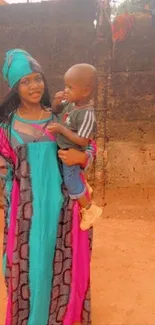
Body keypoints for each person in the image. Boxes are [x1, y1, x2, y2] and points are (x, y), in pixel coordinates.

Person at [0, 49, 96, 325]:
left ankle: (60, 317)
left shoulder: (61, 118)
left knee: (62, 264)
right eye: (25, 81)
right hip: (25, 215)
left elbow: (89, 146)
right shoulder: (6, 128)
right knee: (30, 268)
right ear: (15, 87)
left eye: (37, 78)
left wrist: (84, 157)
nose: (34, 86)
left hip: (64, 209)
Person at [48, 64, 102, 230]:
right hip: (63, 150)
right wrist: (57, 100)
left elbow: (83, 142)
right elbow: (56, 109)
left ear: (85, 91)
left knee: (70, 182)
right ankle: (83, 185)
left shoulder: (86, 114)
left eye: (70, 87)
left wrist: (61, 129)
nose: (66, 90)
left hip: (72, 153)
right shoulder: (70, 103)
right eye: (65, 86)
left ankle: (89, 209)